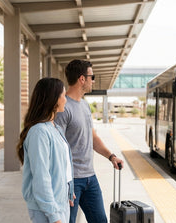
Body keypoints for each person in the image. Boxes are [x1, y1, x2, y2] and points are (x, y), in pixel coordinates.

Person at [55, 59, 124, 223]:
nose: (93, 81)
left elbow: (93, 138)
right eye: (91, 77)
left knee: (100, 220)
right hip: (70, 181)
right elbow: (57, 147)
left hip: (90, 178)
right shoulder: (63, 108)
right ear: (82, 79)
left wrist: (111, 156)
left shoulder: (85, 106)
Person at [16, 78, 75, 223]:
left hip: (60, 202)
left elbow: (63, 165)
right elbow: (41, 178)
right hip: (47, 209)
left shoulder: (56, 128)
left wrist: (68, 190)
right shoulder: (39, 132)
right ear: (52, 99)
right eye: (63, 95)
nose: (65, 100)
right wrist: (54, 217)